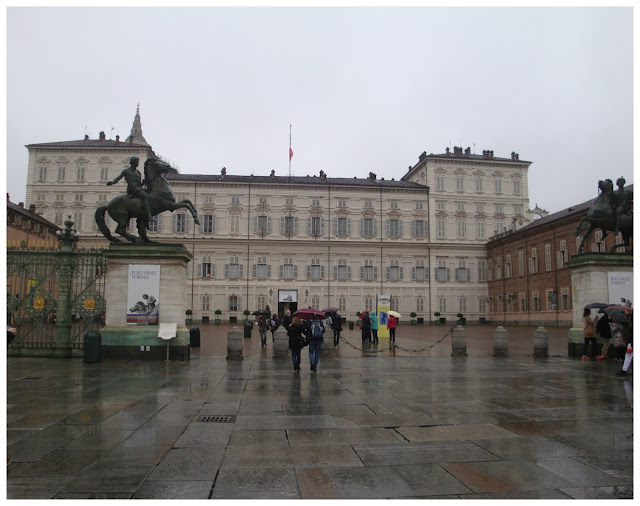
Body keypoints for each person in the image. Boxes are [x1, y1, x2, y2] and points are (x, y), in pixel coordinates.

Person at [107, 156, 153, 223]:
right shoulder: (126, 171)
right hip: (132, 189)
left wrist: (143, 182)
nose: (137, 163)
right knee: (146, 196)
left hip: (138, 188)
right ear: (132, 162)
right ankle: (149, 216)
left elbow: (139, 184)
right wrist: (112, 182)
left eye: (138, 162)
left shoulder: (138, 172)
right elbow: (118, 178)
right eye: (136, 162)